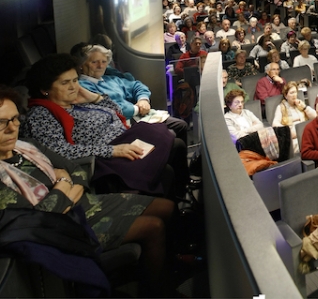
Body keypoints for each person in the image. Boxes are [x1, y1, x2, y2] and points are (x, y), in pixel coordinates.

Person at [0, 87, 174, 295]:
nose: (13, 128)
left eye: (15, 119)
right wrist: (64, 183)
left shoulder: (27, 145)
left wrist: (67, 185)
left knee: (167, 207)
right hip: (62, 229)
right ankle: (157, 292)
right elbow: (38, 219)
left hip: (83, 203)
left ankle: (172, 269)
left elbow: (76, 169)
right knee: (154, 227)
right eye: (2, 123)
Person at [22, 54, 186, 196]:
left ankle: (182, 196)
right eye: (65, 83)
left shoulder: (76, 102)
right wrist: (113, 150)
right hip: (106, 160)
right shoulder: (41, 115)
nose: (73, 87)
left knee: (175, 143)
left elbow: (117, 112)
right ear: (45, 89)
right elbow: (58, 151)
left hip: (125, 141)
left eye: (74, 80)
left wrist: (94, 98)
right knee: (167, 169)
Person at [76, 44, 188, 141]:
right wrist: (137, 109)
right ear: (82, 64)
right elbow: (110, 109)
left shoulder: (110, 79)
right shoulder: (83, 86)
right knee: (171, 136)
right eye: (94, 62)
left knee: (181, 125)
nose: (100, 66)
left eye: (104, 62)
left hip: (140, 117)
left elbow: (137, 85)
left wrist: (143, 99)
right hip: (121, 126)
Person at [272, 82, 316, 150]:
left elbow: (315, 116)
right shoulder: (281, 107)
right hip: (293, 137)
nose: (294, 95)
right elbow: (275, 124)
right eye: (291, 93)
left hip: (305, 132)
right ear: (286, 95)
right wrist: (287, 131)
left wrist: (304, 107)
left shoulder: (300, 104)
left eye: (295, 92)